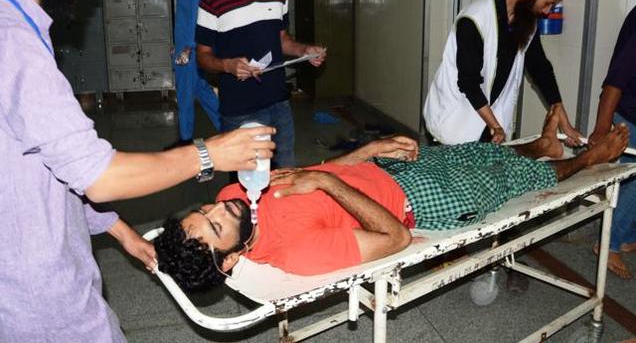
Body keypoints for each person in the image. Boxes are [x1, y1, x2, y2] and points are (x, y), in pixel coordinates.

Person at [0, 0, 275, 343]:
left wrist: (117, 228)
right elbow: (98, 175)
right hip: (37, 290)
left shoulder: (19, 33)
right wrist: (208, 154)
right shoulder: (14, 44)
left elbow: (41, 169)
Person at [154, 110, 629, 291]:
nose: (219, 208)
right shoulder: (295, 253)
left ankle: (541, 145)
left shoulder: (233, 192)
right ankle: (584, 161)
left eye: (203, 211)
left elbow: (317, 172)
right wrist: (331, 187)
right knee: (512, 180)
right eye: (215, 226)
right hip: (418, 205)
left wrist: (369, 151)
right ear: (232, 257)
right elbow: (396, 238)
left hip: (384, 171)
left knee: (476, 151)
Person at [196, 0, 326, 168]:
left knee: (285, 174)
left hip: (279, 103)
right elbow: (203, 57)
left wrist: (304, 50)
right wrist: (228, 66)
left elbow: (282, 40)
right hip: (238, 109)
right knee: (247, 183)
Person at [424, 0, 582, 146]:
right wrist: (495, 127)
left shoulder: (526, 23)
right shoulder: (475, 19)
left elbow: (542, 71)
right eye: (547, 3)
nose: (547, 11)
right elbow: (469, 82)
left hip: (490, 129)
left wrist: (566, 125)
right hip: (454, 124)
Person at [589, 5, 636, 279]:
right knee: (630, 182)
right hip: (629, 115)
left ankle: (624, 234)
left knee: (631, 184)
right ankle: (609, 244)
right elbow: (616, 79)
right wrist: (601, 128)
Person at [172, 0, 220, 144]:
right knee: (203, 92)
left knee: (184, 97)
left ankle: (184, 140)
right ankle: (228, 127)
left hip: (189, 52)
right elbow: (183, 19)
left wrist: (188, 48)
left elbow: (196, 19)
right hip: (184, 48)